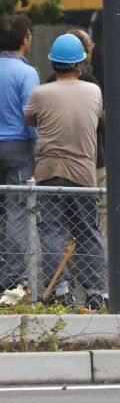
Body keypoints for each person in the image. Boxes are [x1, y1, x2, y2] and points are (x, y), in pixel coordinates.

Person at [23, 33, 106, 310]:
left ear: (53, 64)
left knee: (51, 231)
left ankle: (60, 289)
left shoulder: (40, 93)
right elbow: (100, 118)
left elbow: (29, 118)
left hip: (48, 171)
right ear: (80, 63)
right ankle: (96, 292)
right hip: (83, 174)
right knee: (88, 231)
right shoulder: (93, 91)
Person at [0, 15, 39, 290]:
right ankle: (11, 279)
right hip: (19, 147)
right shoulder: (27, 73)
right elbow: (31, 114)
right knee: (16, 211)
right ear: (25, 39)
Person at [45, 28, 105, 188]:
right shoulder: (91, 83)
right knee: (96, 207)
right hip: (88, 159)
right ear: (83, 52)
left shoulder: (48, 83)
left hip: (54, 162)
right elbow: (101, 120)